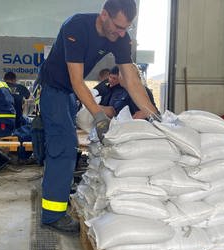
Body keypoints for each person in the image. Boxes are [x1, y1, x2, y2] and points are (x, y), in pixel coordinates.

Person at [35, 0, 159, 234]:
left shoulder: (121, 37)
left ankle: (58, 194)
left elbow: (131, 80)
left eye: (127, 28)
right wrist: (100, 117)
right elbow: (76, 80)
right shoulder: (77, 27)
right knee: (63, 146)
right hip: (53, 89)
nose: (122, 33)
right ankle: (52, 215)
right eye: (118, 26)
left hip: (69, 93)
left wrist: (155, 115)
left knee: (66, 147)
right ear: (104, 15)